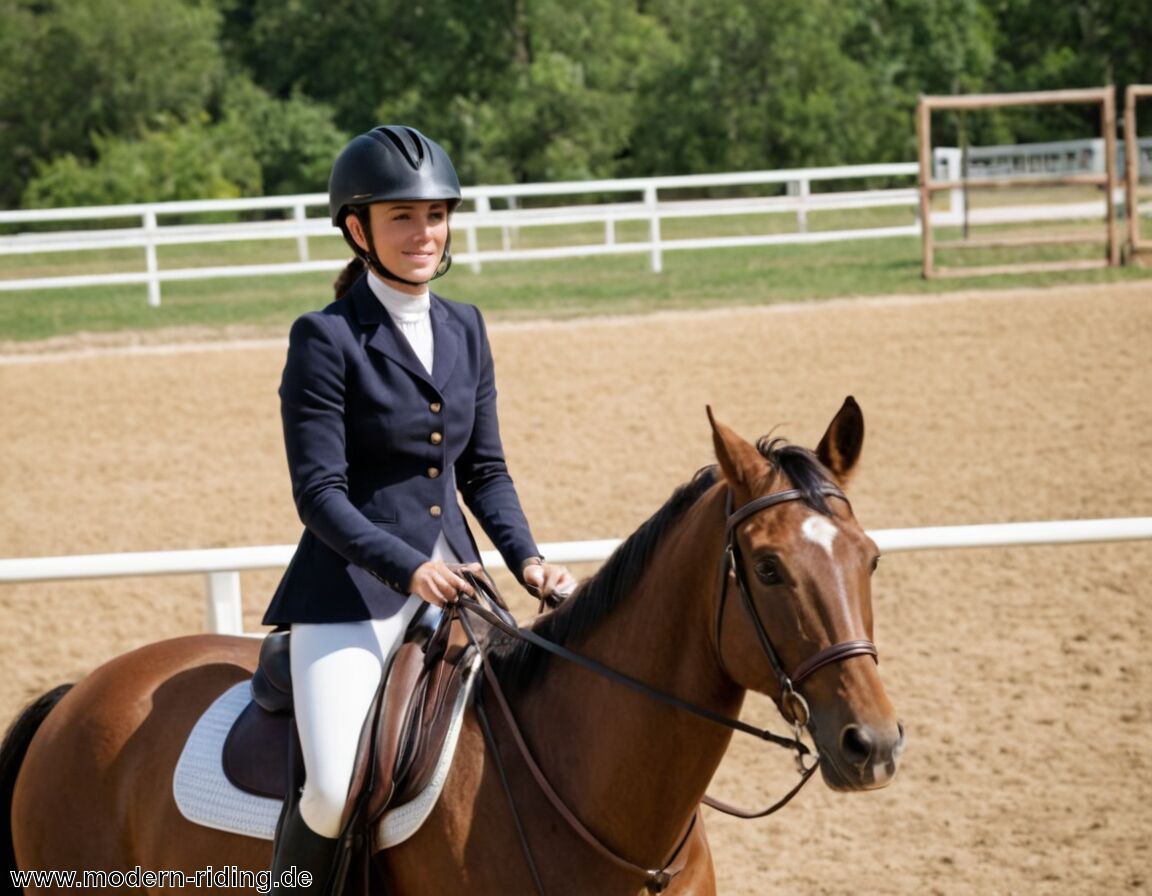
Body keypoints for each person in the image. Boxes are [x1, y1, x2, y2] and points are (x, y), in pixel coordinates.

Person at [261, 125, 574, 892]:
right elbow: (320, 496)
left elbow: (485, 469)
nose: (423, 233)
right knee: (334, 793)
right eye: (401, 217)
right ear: (358, 228)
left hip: (462, 585)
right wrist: (407, 570)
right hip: (350, 596)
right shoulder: (326, 338)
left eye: (435, 215)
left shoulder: (465, 325)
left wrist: (526, 558)